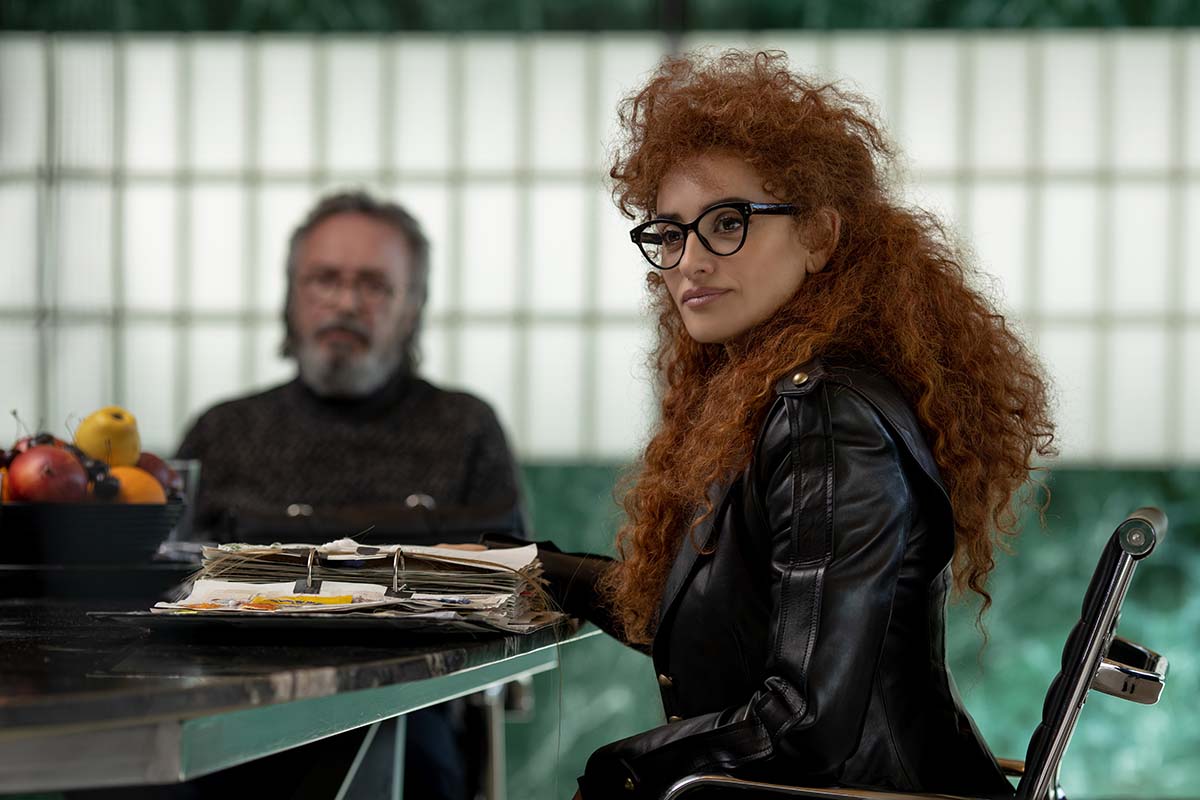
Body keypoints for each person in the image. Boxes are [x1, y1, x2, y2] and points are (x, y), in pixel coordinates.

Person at [488, 50, 1055, 798]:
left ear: (818, 236)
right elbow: (714, 617)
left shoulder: (827, 418)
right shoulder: (768, 396)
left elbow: (805, 723)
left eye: (728, 223)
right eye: (670, 233)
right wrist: (528, 567)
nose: (690, 261)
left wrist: (621, 773)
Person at [176, 190, 522, 800]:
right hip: (233, 708)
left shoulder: (465, 426)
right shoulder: (222, 431)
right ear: (291, 296)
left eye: (373, 285)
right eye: (324, 279)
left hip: (408, 708)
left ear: (412, 307)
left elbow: (510, 588)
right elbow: (174, 587)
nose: (345, 302)